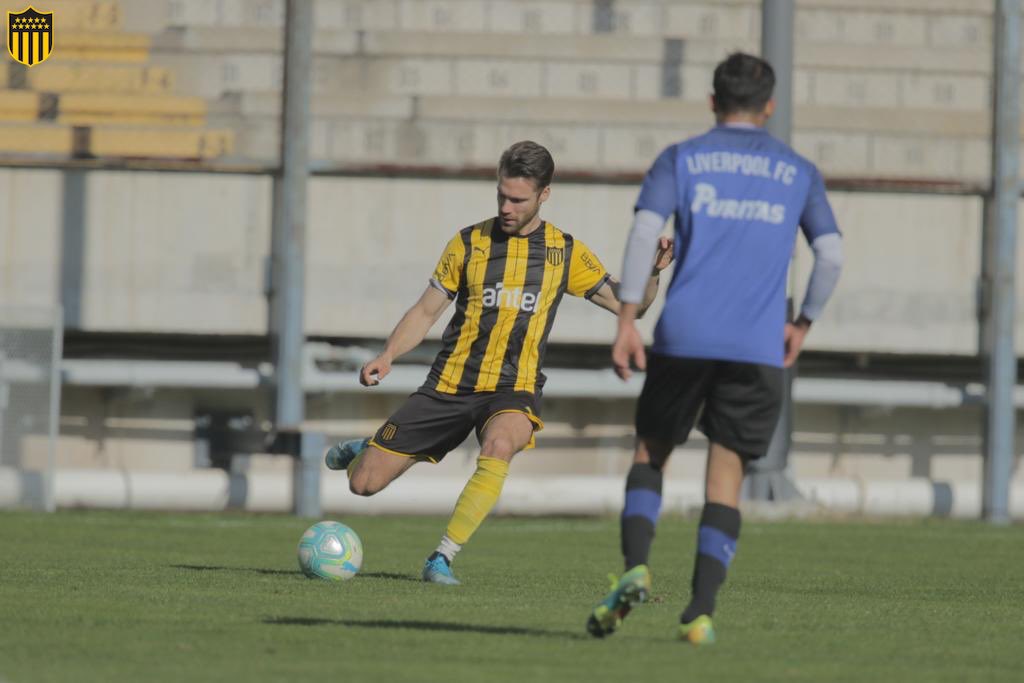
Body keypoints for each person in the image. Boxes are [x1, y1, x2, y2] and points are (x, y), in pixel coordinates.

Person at [325, 140, 674, 585]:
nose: (507, 207)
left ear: (544, 194)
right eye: (501, 196)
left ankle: (442, 557)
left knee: (500, 445)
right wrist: (388, 354)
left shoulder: (564, 252)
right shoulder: (469, 243)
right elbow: (426, 310)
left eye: (518, 199)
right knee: (364, 484)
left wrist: (654, 272)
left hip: (514, 386)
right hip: (450, 383)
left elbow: (633, 305)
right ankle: (366, 450)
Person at [586, 52, 844, 644]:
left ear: (711, 101)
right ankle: (700, 610)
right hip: (756, 347)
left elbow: (645, 231)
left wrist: (627, 316)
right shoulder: (797, 169)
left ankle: (635, 568)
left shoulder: (683, 157)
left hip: (684, 336)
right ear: (770, 107)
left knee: (651, 454)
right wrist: (801, 323)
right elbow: (831, 254)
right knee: (725, 478)